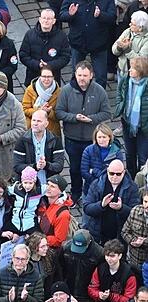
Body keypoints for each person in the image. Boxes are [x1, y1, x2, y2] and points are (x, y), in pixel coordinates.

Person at [56, 62, 111, 202]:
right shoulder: (66, 91)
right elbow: (59, 112)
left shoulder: (99, 91)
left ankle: (91, 195)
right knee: (74, 169)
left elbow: (106, 113)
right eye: (79, 75)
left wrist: (91, 119)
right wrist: (74, 118)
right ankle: (75, 194)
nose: (82, 78)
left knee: (92, 170)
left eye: (85, 75)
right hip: (72, 138)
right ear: (75, 74)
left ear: (91, 75)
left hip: (91, 140)